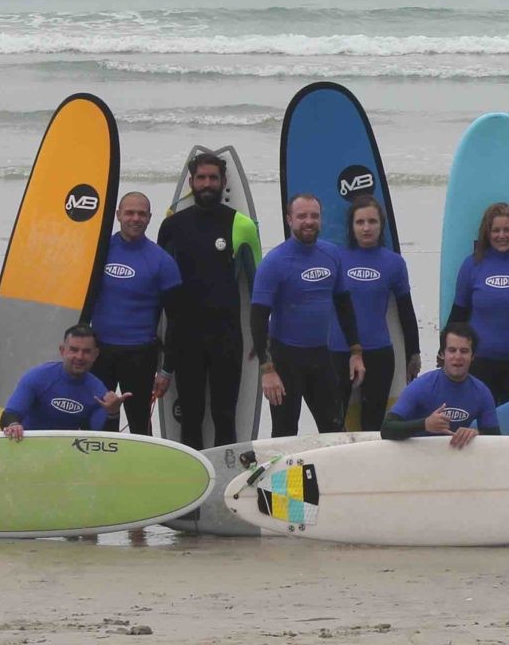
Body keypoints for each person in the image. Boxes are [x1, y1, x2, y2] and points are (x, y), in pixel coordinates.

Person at [156, 151, 261, 448]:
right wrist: (155, 334)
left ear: (223, 181)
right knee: (190, 415)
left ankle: (228, 482)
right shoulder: (172, 226)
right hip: (184, 337)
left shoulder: (242, 225)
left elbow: (258, 288)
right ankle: (195, 485)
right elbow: (158, 285)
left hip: (227, 336)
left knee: (225, 415)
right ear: (191, 181)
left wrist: (262, 336)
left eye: (213, 178)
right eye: (201, 178)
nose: (207, 183)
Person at [250, 193, 363, 437]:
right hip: (284, 359)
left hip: (322, 357)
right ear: (289, 220)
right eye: (302, 216)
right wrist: (267, 370)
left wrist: (356, 352)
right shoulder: (275, 262)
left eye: (314, 216)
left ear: (321, 219)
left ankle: (330, 476)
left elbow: (344, 305)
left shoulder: (331, 254)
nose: (309, 221)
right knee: (284, 432)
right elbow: (258, 318)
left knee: (334, 429)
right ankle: (283, 477)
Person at [86, 191, 181, 435]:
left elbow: (177, 320)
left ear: (150, 218)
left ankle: (142, 471)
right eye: (129, 212)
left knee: (140, 425)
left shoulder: (162, 261)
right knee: (97, 421)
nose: (135, 218)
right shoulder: (97, 251)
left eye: (141, 213)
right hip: (99, 352)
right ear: (118, 215)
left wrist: (166, 369)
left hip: (139, 354)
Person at [446, 201, 509, 406]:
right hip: (480, 360)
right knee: (482, 426)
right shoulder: (472, 264)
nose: (502, 236)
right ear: (487, 232)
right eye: (496, 230)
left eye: (507, 230)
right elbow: (459, 313)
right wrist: (445, 350)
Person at [338, 194, 421, 433]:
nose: (366, 228)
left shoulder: (394, 263)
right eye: (360, 222)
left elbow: (406, 310)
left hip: (379, 353)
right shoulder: (336, 258)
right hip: (338, 351)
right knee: (333, 423)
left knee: (373, 424)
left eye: (372, 222)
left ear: (381, 225)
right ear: (351, 226)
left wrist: (413, 353)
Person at [0, 324, 129, 439]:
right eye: (74, 350)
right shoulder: (38, 377)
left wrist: (113, 413)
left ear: (95, 355)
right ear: (62, 351)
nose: (79, 357)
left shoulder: (98, 391)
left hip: (65, 454)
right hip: (27, 446)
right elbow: (9, 415)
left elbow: (103, 441)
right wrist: (14, 425)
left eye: (86, 352)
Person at [382, 327, 502, 447]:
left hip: (458, 459)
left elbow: (495, 438)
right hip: (419, 458)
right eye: (452, 350)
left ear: (473, 356)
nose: (458, 357)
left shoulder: (481, 392)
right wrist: (425, 424)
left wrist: (477, 434)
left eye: (464, 351)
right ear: (442, 354)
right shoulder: (421, 387)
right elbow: (387, 428)